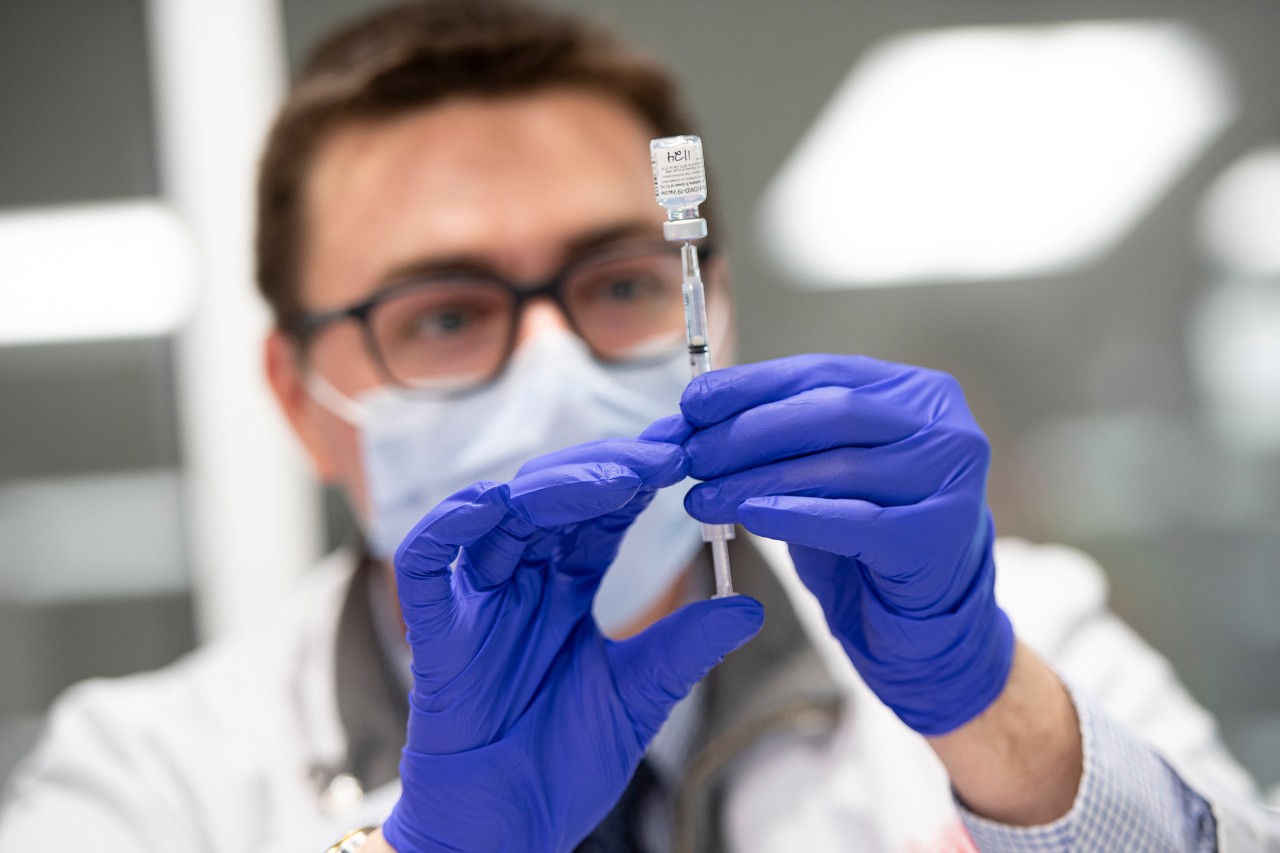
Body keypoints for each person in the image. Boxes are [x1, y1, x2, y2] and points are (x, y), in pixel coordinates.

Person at [0, 1, 1276, 851]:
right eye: (444, 316)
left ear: (707, 304)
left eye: (617, 286)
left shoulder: (1019, 634)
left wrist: (995, 719)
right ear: (301, 400)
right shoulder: (152, 771)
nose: (550, 365)